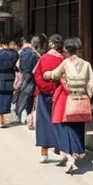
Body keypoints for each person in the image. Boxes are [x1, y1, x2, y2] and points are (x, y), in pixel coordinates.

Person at [44, 37, 93, 174]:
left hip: (69, 99)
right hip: (82, 99)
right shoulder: (86, 64)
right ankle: (76, 152)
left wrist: (47, 74)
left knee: (65, 126)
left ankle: (69, 156)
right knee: (78, 127)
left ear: (67, 50)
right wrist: (87, 95)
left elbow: (55, 75)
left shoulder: (66, 63)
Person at [33, 34, 64, 163]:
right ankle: (62, 151)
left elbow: (36, 74)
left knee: (43, 122)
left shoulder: (43, 58)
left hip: (43, 93)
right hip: (58, 93)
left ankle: (44, 153)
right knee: (59, 121)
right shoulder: (63, 60)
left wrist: (44, 86)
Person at [15, 36, 40, 123]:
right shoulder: (35, 54)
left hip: (23, 74)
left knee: (22, 92)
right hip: (31, 76)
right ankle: (26, 114)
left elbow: (17, 64)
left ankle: (19, 112)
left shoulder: (23, 52)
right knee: (28, 95)